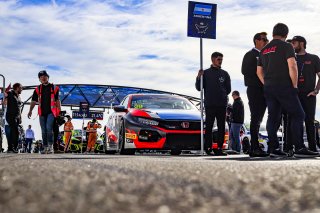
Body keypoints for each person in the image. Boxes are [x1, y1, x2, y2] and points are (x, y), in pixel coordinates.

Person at [257, 23, 318, 158]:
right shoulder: (286, 46)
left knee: (273, 117)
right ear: (285, 34)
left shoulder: (264, 50)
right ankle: (300, 147)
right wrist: (294, 86)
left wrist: (267, 84)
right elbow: (292, 66)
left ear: (273, 33)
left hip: (269, 88)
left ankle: (273, 148)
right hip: (284, 86)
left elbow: (259, 71)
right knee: (299, 115)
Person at [195, 52, 231, 156]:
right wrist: (198, 77)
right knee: (209, 127)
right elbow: (199, 88)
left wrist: (222, 96)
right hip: (210, 104)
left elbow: (228, 90)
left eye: (221, 59)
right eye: (219, 59)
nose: (220, 61)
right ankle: (208, 148)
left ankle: (219, 148)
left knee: (221, 127)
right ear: (213, 60)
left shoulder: (225, 74)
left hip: (222, 104)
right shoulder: (205, 73)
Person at [241, 32, 269, 157]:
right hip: (255, 89)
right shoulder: (250, 54)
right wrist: (260, 74)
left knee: (259, 119)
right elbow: (245, 71)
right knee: (255, 118)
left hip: (265, 90)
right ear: (257, 41)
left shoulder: (264, 55)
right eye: (264, 39)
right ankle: (254, 147)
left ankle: (257, 146)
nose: (266, 41)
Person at [291, 35, 320, 153]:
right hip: (295, 95)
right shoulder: (291, 58)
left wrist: (316, 90)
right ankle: (298, 147)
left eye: (294, 43)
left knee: (309, 121)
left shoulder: (313, 58)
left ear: (301, 43)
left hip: (309, 95)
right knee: (296, 121)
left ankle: (313, 148)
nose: (292, 45)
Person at [28, 70, 61, 154]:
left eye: (44, 76)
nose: (43, 78)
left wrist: (59, 112)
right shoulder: (37, 89)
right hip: (42, 113)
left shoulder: (54, 88)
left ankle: (50, 147)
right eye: (41, 77)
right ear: (39, 79)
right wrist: (30, 110)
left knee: (49, 128)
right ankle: (45, 147)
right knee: (43, 130)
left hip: (51, 112)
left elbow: (57, 100)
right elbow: (33, 101)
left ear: (48, 77)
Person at [5, 83, 23, 153]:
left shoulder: (19, 97)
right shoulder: (10, 93)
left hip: (17, 117)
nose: (22, 89)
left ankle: (13, 148)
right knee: (14, 131)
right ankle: (10, 148)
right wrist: (5, 96)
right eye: (21, 88)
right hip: (10, 116)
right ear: (17, 88)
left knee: (16, 132)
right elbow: (4, 101)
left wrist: (20, 117)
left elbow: (19, 108)